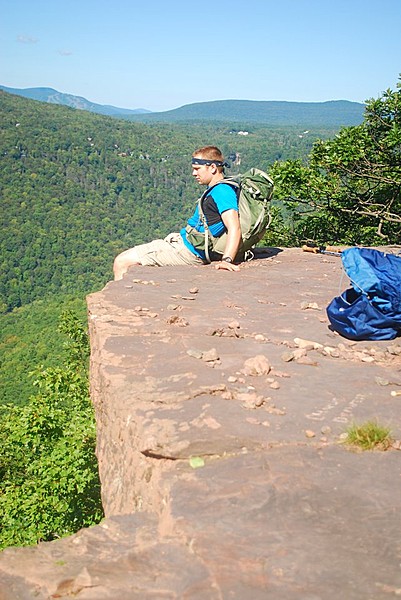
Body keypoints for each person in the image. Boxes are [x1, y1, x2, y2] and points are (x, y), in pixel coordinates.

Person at [113, 146, 241, 280]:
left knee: (122, 261)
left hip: (190, 252)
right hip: (188, 242)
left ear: (213, 168)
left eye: (197, 169)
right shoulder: (220, 188)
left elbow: (234, 226)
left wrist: (227, 260)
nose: (194, 173)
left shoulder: (222, 191)